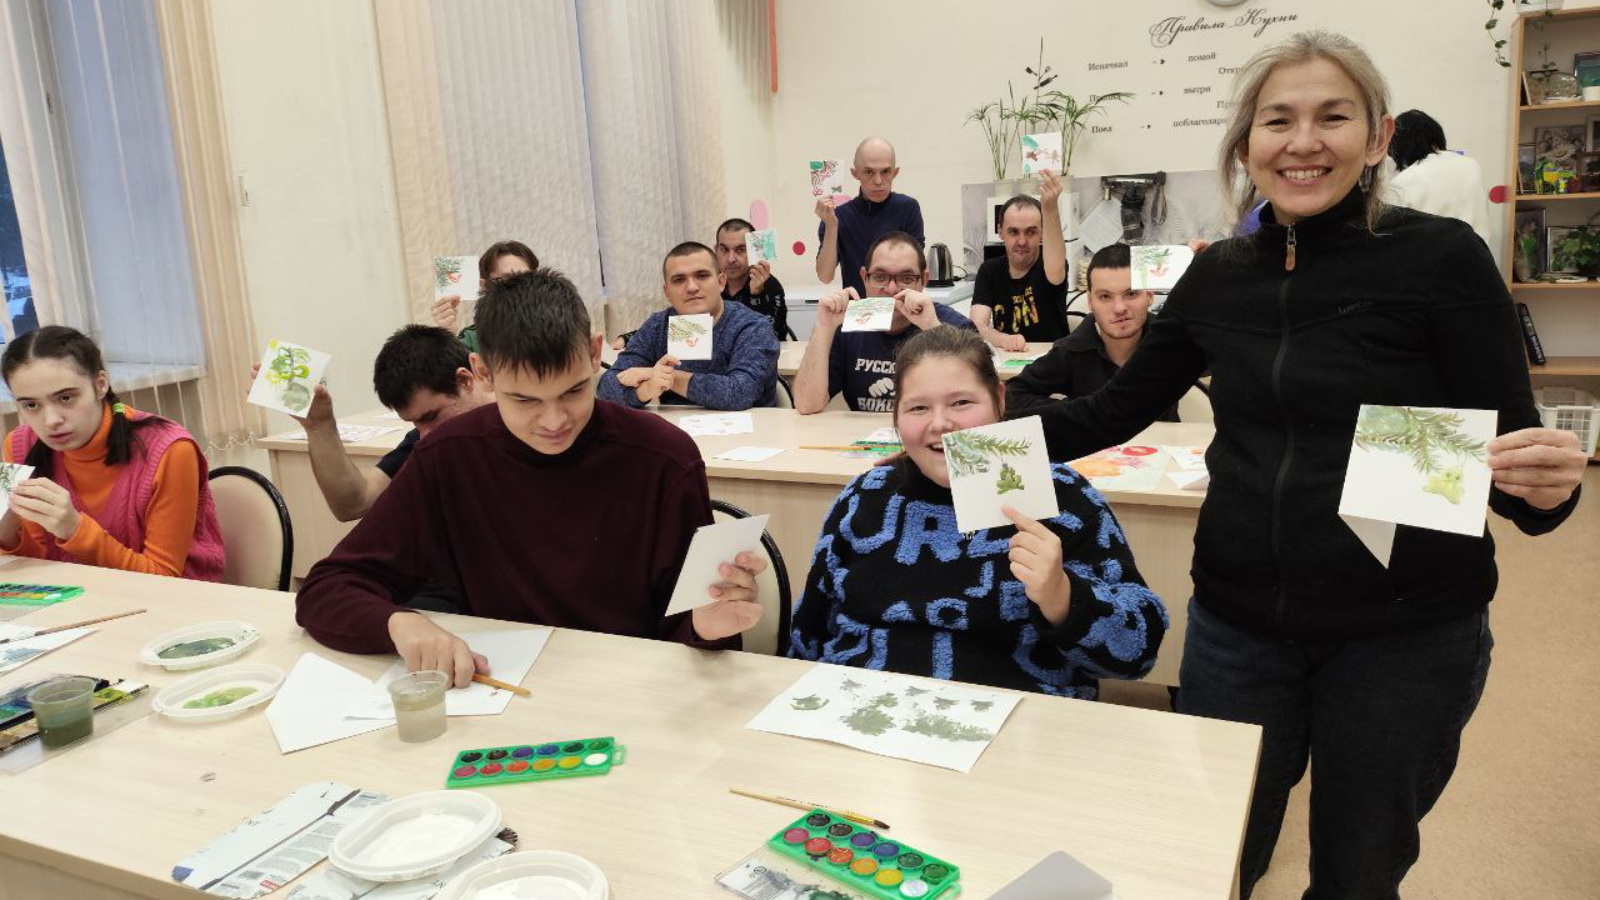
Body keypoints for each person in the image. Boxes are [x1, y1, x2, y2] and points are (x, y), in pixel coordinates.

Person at [1026, 32, 1586, 898]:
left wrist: (1547, 488)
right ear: (1246, 143)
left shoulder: (1441, 259)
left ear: (1378, 136)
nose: (1303, 142)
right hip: (1239, 626)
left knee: (1357, 873)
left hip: (1405, 634)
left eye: (1333, 117)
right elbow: (1106, 413)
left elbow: (1514, 464)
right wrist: (963, 436)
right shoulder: (1218, 278)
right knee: (1215, 858)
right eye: (1278, 120)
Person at [296, 269, 769, 685]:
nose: (554, 421)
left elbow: (690, 630)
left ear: (595, 353)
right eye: (524, 400)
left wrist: (706, 625)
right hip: (499, 688)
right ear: (482, 373)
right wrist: (401, 623)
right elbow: (328, 587)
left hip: (631, 690)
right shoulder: (449, 455)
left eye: (574, 391)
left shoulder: (663, 458)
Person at [789, 326, 1167, 696]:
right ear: (896, 417)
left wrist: (1063, 596)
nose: (940, 424)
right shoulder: (866, 497)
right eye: (918, 408)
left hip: (1018, 717)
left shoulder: (1064, 497)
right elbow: (808, 634)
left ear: (1000, 400)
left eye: (961, 403)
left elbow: (1137, 653)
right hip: (863, 707)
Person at [0, 326, 224, 580]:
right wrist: (7, 534)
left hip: (177, 598)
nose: (51, 420)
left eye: (65, 398)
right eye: (31, 405)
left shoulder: (171, 450)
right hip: (75, 595)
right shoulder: (20, 445)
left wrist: (75, 530)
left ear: (100, 385)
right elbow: (35, 566)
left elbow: (163, 577)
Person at [262, 325, 493, 523]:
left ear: (465, 380)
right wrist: (319, 426)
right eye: (414, 423)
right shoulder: (426, 440)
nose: (424, 436)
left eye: (430, 416)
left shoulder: (510, 429)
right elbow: (355, 504)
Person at [793, 231, 975, 414]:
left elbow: (978, 398)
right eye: (880, 277)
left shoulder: (953, 326)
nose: (892, 289)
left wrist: (933, 330)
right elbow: (807, 405)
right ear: (864, 278)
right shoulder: (845, 326)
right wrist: (823, 327)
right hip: (866, 431)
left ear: (924, 280)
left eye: (906, 278)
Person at [1005, 243, 1179, 422]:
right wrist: (1079, 412)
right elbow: (1012, 396)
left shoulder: (1171, 341)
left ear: (1149, 295)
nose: (1119, 308)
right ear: (1090, 301)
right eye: (1105, 297)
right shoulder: (1071, 351)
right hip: (1097, 440)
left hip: (1168, 439)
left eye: (1131, 294)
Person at [597, 242, 779, 410]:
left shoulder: (753, 326)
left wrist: (668, 377)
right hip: (675, 431)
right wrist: (647, 389)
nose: (691, 287)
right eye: (679, 280)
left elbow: (740, 393)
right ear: (667, 292)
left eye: (702, 276)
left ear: (721, 282)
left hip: (749, 431)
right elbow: (606, 388)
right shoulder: (658, 325)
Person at [815, 137, 925, 295]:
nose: (878, 181)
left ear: (895, 173)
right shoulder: (838, 216)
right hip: (857, 307)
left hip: (901, 305)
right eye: (869, 172)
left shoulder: (908, 208)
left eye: (885, 172)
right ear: (855, 173)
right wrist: (831, 225)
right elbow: (825, 276)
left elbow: (917, 272)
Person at [971, 180, 1070, 351]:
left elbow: (1056, 260)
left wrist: (1050, 207)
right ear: (1000, 232)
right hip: (1007, 360)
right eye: (1013, 232)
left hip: (1052, 359)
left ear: (1042, 233)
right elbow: (976, 326)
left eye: (1031, 232)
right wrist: (1003, 339)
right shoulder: (989, 270)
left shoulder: (1048, 266)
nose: (1022, 241)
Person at [1385, 109, 1492, 248]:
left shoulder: (1403, 182)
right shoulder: (1472, 165)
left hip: (1433, 258)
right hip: (1480, 254)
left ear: (1399, 146)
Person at [431, 240, 539, 352]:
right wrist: (447, 335)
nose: (518, 286)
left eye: (526, 278)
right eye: (506, 280)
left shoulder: (550, 327)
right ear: (484, 286)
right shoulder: (472, 339)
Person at [714, 217, 788, 341]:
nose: (731, 259)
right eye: (724, 249)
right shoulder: (707, 283)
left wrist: (757, 295)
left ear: (754, 250)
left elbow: (773, 337)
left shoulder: (769, 285)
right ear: (716, 251)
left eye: (740, 250)